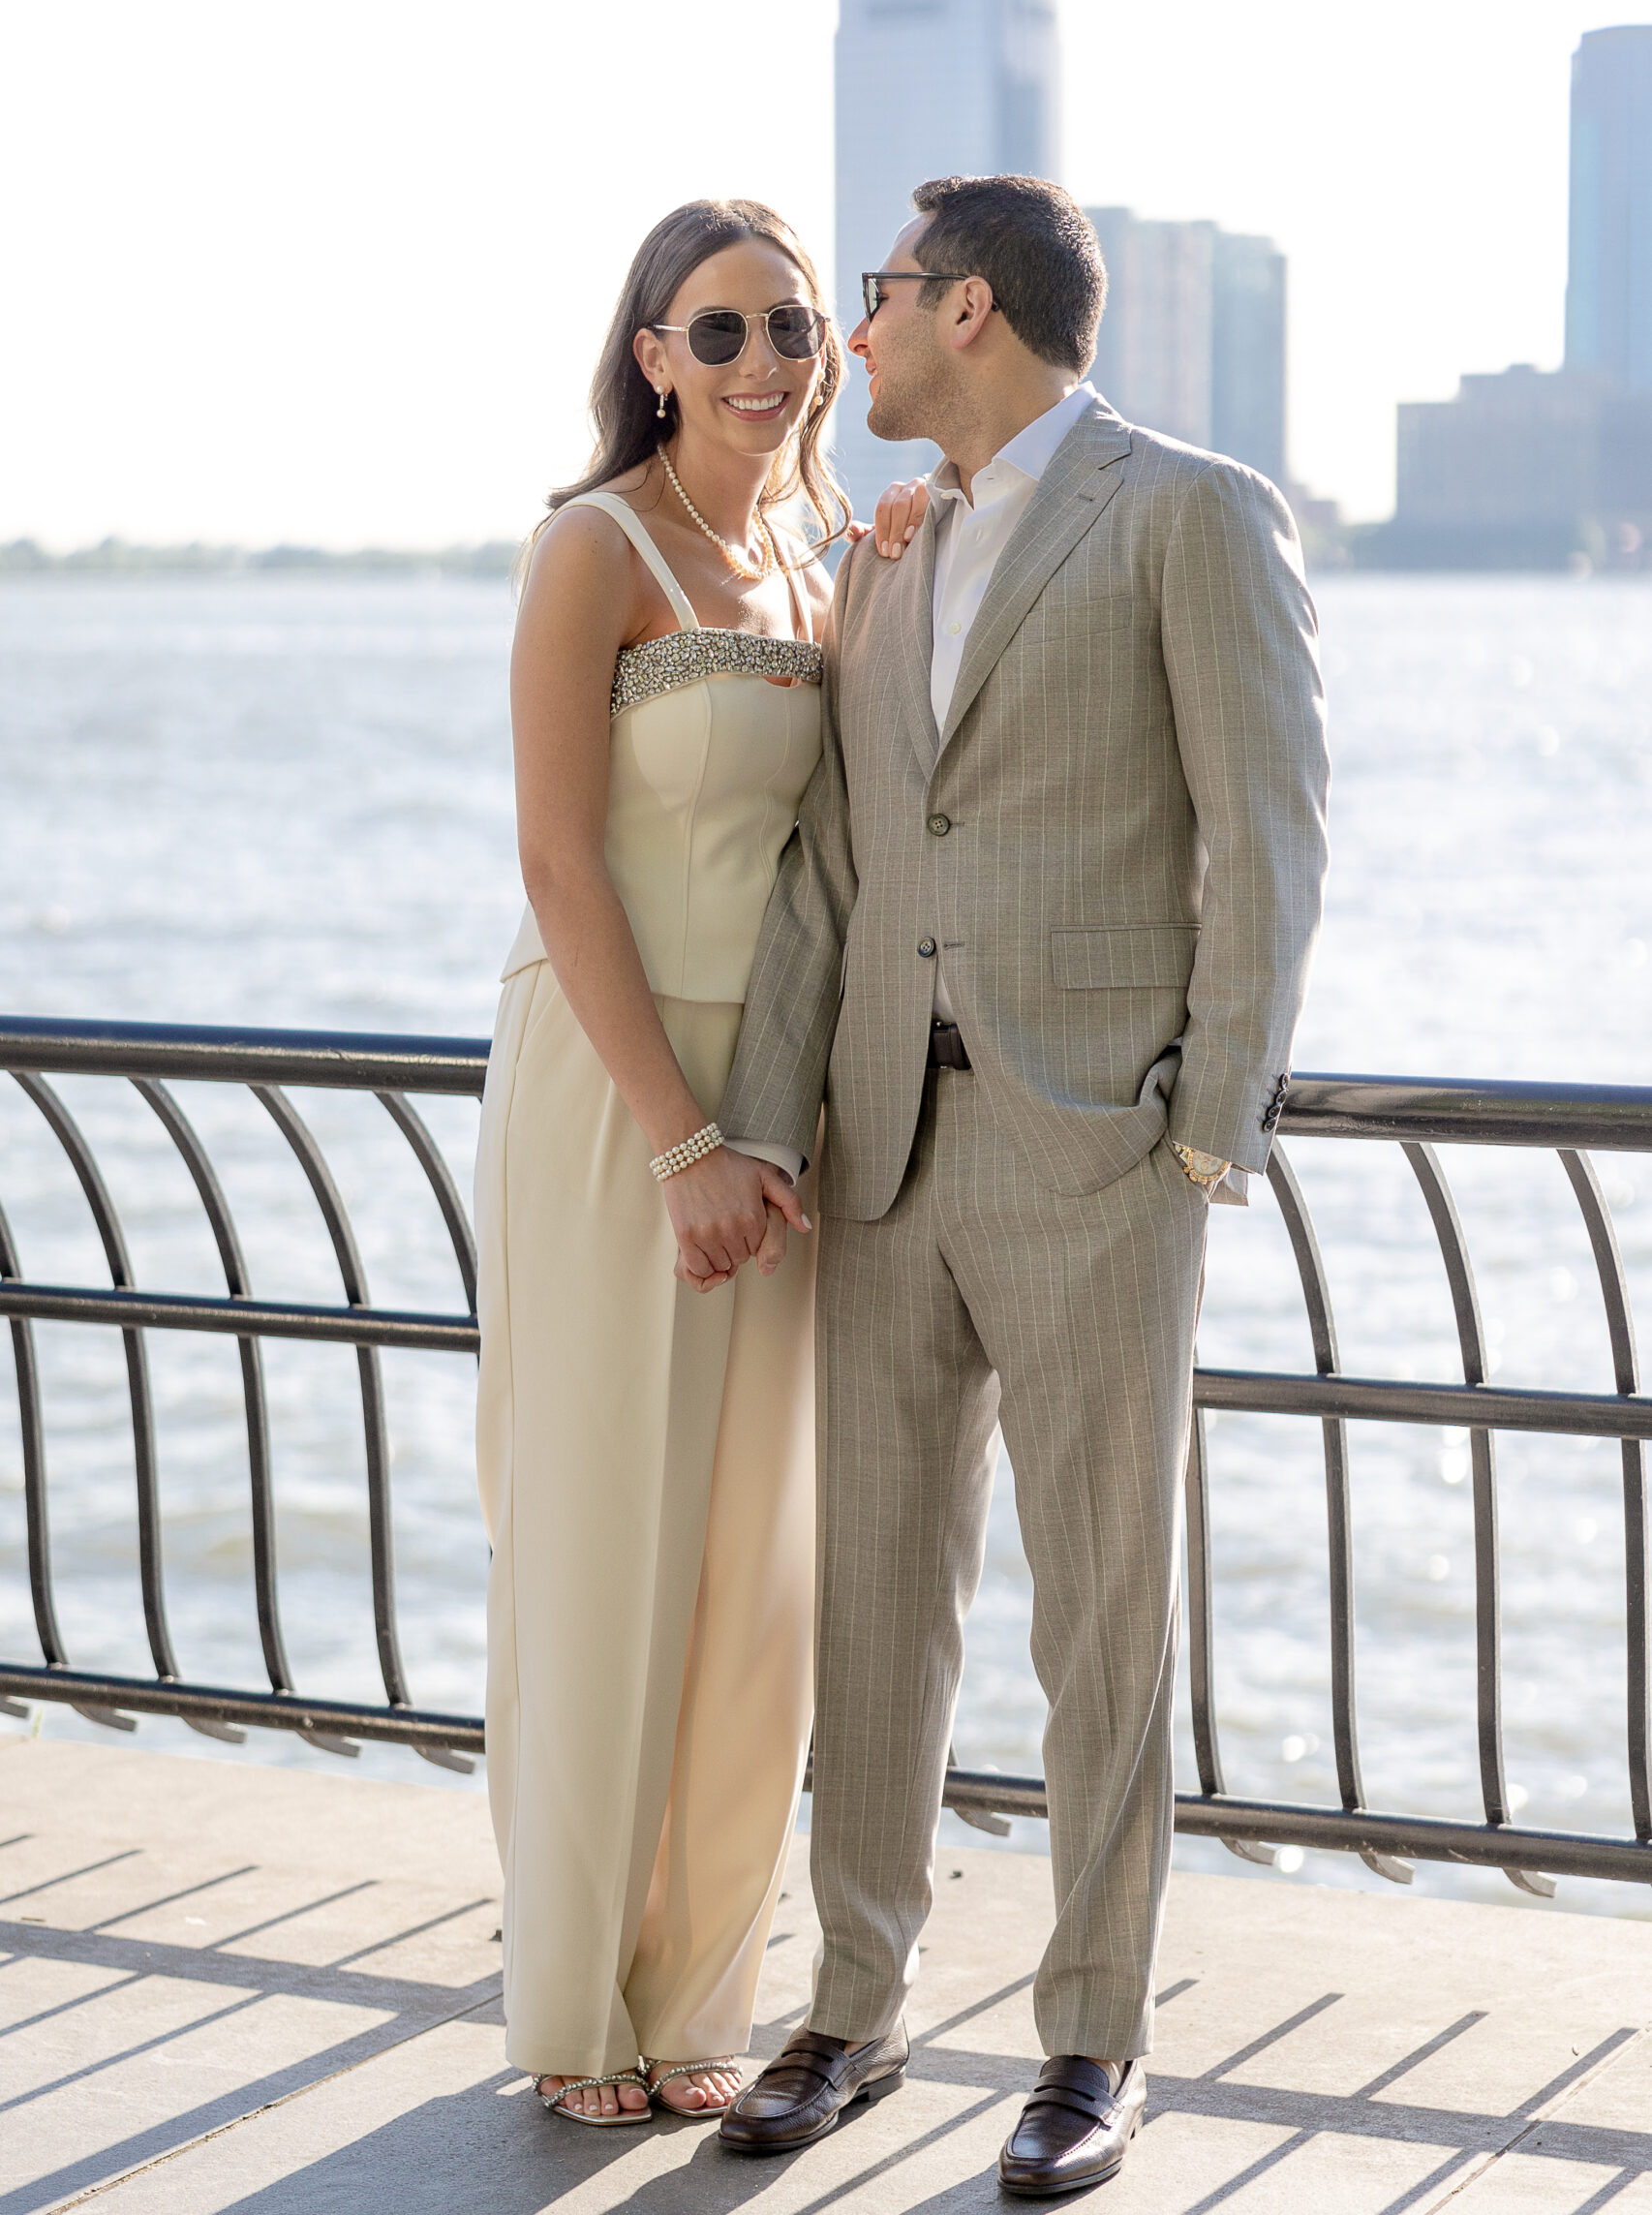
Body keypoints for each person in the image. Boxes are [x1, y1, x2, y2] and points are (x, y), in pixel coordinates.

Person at [698, 174, 1331, 2194]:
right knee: (874, 1614)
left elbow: (1271, 833)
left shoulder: (1186, 509)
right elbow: (835, 866)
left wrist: (1205, 1127)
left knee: (1100, 1627)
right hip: (883, 1149)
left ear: (964, 308)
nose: (843, 341)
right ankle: (854, 2005)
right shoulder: (891, 550)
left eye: (870, 298)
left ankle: (1091, 2039)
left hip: (1097, 1159)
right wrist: (760, 1122)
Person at [473, 198, 843, 2128]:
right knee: (606, 1533)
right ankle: (573, 2000)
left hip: (774, 1114)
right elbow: (556, 861)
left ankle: (701, 1982)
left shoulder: (822, 552)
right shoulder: (591, 550)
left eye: (789, 322)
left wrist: (763, 1125)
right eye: (720, 332)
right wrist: (678, 1135)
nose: (766, 360)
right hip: (621, 1094)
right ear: (650, 356)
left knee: (749, 1562)